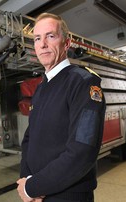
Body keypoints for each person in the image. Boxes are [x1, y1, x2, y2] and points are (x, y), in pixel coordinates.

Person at [17, 13, 106, 202]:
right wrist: (26, 181)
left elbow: (83, 151)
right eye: (37, 39)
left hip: (68, 195)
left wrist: (33, 187)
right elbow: (29, 139)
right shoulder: (41, 87)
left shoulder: (83, 83)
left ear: (66, 43)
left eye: (50, 36)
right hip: (38, 193)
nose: (42, 44)